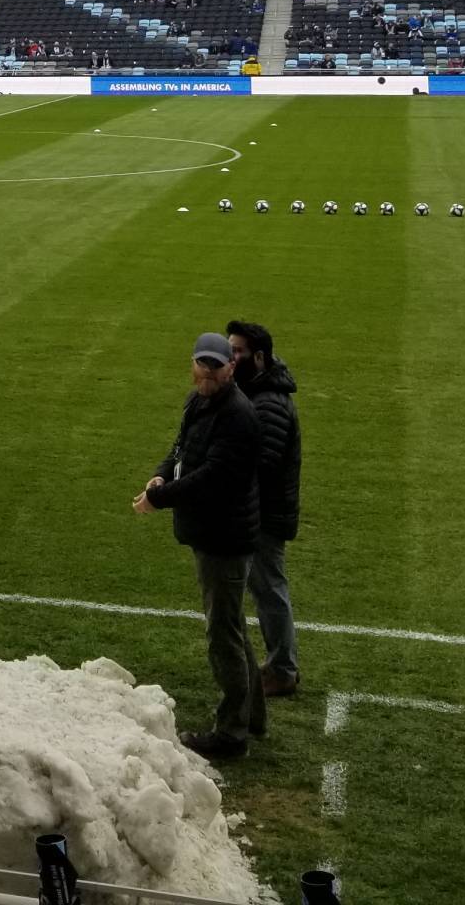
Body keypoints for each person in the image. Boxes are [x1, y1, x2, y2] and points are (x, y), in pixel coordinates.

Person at [135, 332, 265, 760]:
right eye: (201, 364)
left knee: (222, 634)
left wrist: (160, 498)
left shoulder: (238, 416)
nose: (207, 372)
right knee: (232, 626)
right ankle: (252, 715)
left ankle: (231, 734)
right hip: (213, 532)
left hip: (224, 538)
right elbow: (180, 449)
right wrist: (160, 476)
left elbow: (212, 477)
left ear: (231, 367)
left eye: (216, 365)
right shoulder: (200, 402)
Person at [227, 320, 302, 697]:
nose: (231, 357)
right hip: (261, 511)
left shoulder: (269, 403)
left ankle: (282, 669)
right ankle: (281, 665)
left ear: (258, 357)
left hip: (265, 516)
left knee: (269, 588)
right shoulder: (257, 391)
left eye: (237, 351)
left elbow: (262, 465)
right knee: (266, 587)